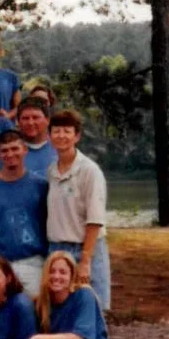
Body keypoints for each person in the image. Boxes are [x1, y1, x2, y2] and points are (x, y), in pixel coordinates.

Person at [46, 109, 111, 309]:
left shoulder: (89, 171)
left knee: (92, 308)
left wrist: (85, 260)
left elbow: (95, 219)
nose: (61, 136)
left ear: (77, 136)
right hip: (57, 250)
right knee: (62, 309)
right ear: (49, 136)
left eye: (67, 131)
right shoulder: (52, 171)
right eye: (56, 131)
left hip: (84, 248)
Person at [0, 130, 49, 296]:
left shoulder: (40, 186)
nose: (10, 154)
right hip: (0, 264)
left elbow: (49, 226)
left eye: (15, 149)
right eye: (4, 150)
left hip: (33, 261)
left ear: (25, 150)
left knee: (35, 314)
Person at [17, 97, 56, 176]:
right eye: (25, 118)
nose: (30, 123)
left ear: (48, 120)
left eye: (35, 117)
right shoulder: (8, 152)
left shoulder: (61, 150)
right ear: (18, 122)